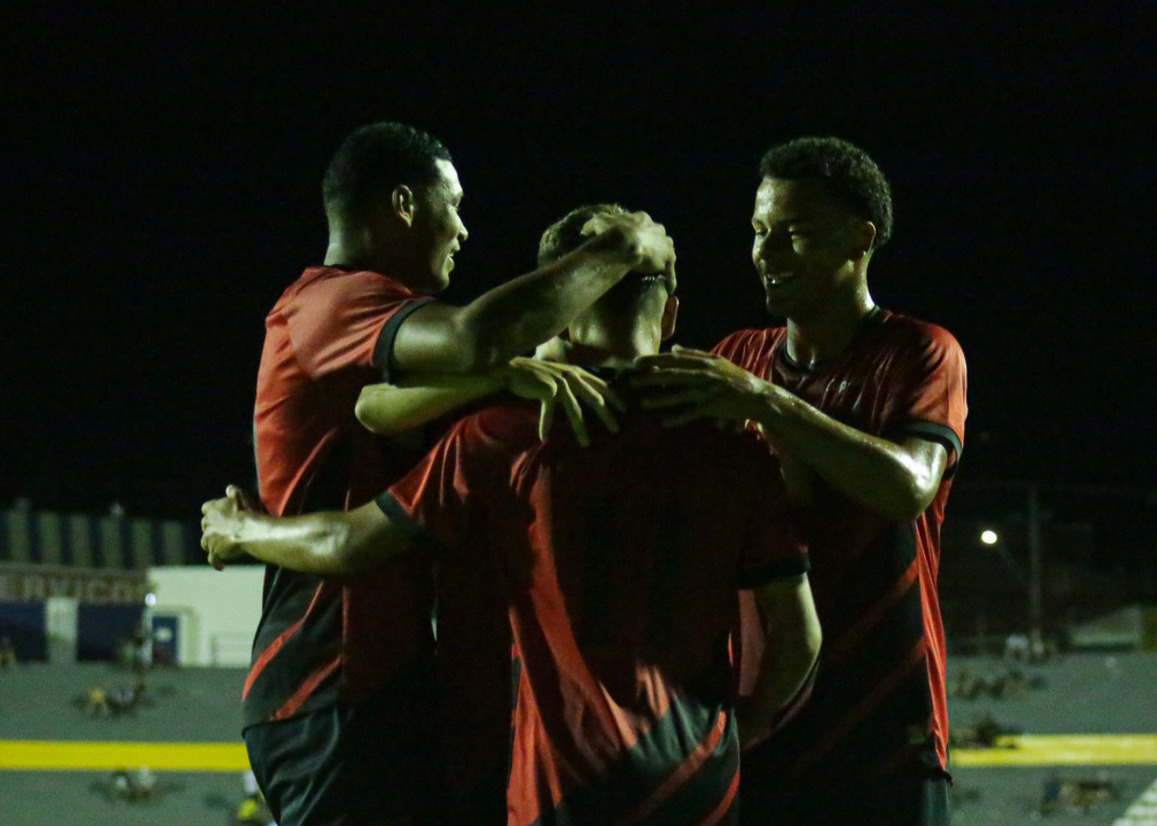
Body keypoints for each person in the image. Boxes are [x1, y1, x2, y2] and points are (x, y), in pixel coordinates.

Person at [205, 204, 821, 825]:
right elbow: (800, 639)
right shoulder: (737, 447)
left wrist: (243, 530)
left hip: (563, 785)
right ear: (670, 316)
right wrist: (740, 728)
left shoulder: (504, 436)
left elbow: (352, 527)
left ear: (563, 314)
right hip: (697, 780)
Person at [246, 124, 676, 826]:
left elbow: (381, 407)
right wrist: (622, 246)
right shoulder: (331, 301)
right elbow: (475, 337)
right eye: (454, 205)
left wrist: (508, 370)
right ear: (404, 204)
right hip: (330, 682)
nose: (464, 230)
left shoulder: (395, 350)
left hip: (395, 686)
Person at [634, 137, 967, 824]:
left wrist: (766, 402)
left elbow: (908, 487)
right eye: (760, 231)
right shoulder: (736, 355)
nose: (767, 252)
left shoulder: (920, 351)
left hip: (883, 721)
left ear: (861, 239)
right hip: (759, 717)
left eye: (795, 232)